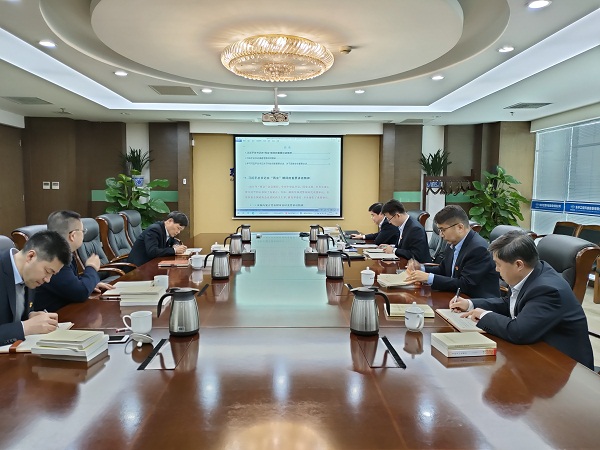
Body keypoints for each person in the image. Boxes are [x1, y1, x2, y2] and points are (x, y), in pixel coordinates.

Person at [450, 231, 594, 369]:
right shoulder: (530, 273)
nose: (496, 269)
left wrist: (483, 315)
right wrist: (470, 304)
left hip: (563, 365)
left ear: (519, 265)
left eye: (499, 264)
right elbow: (509, 304)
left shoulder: (548, 290)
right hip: (536, 350)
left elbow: (518, 332)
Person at [405, 205, 499, 297]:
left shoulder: (478, 249)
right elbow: (443, 269)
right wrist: (421, 268)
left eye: (443, 230)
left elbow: (465, 284)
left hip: (476, 301)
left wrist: (428, 278)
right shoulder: (453, 242)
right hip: (456, 297)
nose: (441, 235)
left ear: (460, 227)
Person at [1, 230, 71, 346]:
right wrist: (25, 327)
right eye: (47, 271)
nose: (48, 280)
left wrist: (30, 317)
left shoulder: (29, 276)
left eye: (52, 274)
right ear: (31, 256)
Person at [33, 211, 113, 312]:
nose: (83, 234)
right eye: (83, 231)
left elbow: (70, 282)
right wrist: (91, 267)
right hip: (53, 315)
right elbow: (81, 293)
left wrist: (90, 284)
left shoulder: (59, 251)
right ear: (73, 235)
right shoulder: (54, 258)